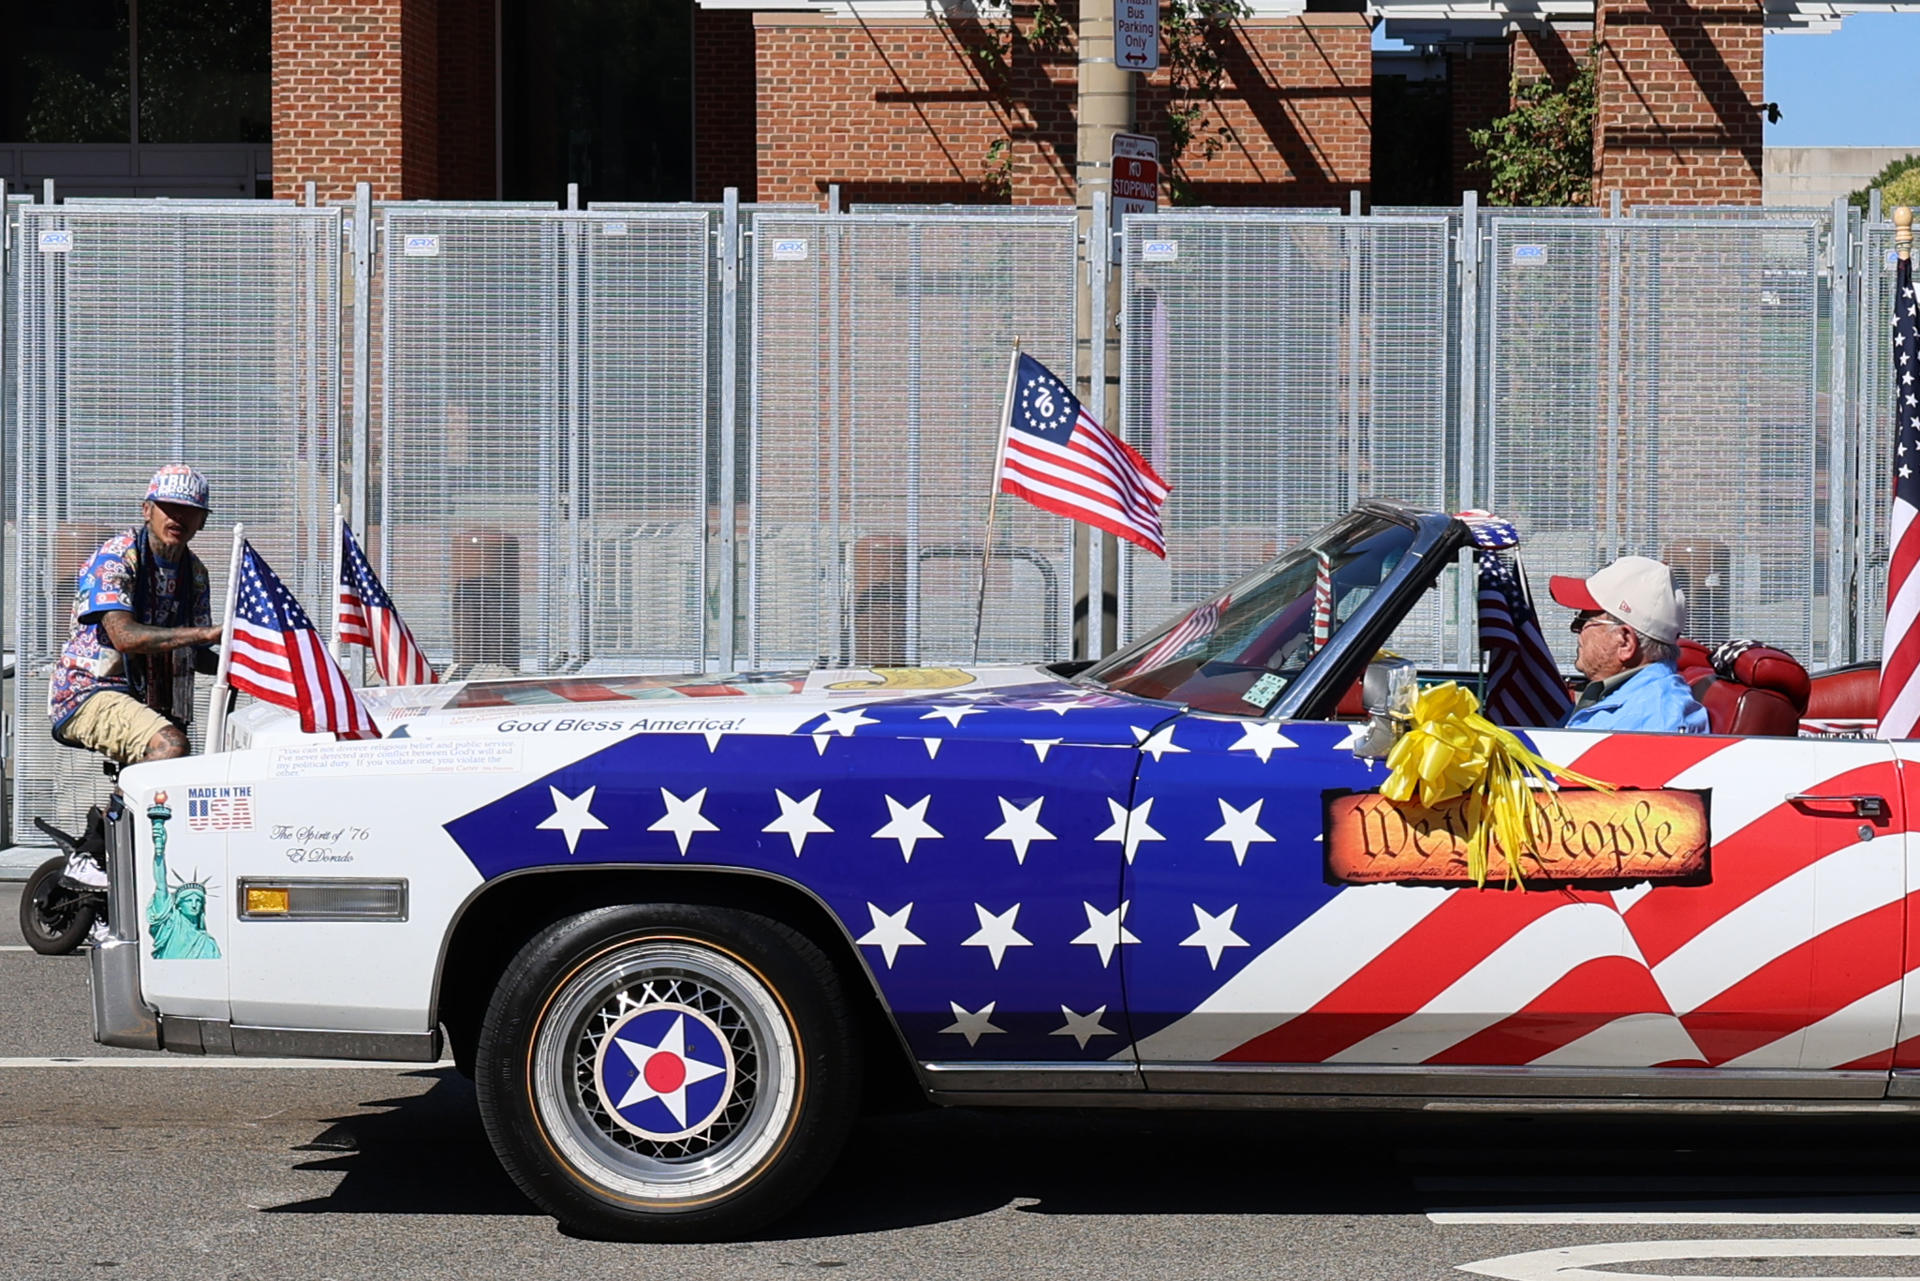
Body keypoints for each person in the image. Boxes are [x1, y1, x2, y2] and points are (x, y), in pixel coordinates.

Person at [48, 464, 223, 768]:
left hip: (151, 694)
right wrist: (206, 634)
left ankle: (116, 812)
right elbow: (124, 637)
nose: (177, 517)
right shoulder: (116, 556)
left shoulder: (195, 573)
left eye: (188, 510)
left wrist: (252, 660)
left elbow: (196, 654)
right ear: (147, 510)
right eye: (168, 507)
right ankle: (122, 808)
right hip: (91, 691)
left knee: (180, 771)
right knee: (170, 746)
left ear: (203, 520)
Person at [1548, 555, 1709, 735]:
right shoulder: (1620, 698)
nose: (1574, 628)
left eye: (1583, 620)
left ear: (1624, 642)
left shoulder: (1657, 722)